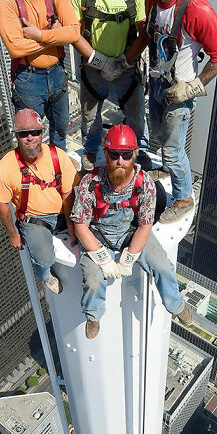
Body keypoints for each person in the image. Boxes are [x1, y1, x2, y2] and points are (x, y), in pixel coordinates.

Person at [124, 0, 217, 222]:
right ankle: (166, 171)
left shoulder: (197, 9)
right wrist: (126, 60)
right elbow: (147, 35)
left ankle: (184, 198)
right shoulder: (151, 0)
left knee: (172, 151)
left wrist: (193, 87)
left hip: (179, 90)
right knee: (158, 136)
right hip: (158, 83)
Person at [71, 124, 193, 339]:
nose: (120, 161)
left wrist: (130, 257)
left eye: (126, 155)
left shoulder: (143, 182)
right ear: (106, 154)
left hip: (131, 232)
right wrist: (100, 257)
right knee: (92, 279)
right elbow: (81, 225)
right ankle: (93, 316)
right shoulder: (91, 184)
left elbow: (145, 224)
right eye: (115, 154)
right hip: (99, 235)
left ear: (134, 155)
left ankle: (176, 305)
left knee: (162, 266)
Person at [69, 0, 150, 171]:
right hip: (95, 67)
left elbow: (145, 31)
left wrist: (125, 61)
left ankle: (141, 151)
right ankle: (91, 150)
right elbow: (74, 33)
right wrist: (99, 61)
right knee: (90, 116)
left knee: (136, 114)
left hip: (127, 63)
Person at [0, 0, 80, 149]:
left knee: (60, 134)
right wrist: (55, 35)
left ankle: (58, 177)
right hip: (28, 79)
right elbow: (15, 48)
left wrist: (38, 34)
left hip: (58, 74)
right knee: (30, 142)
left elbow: (74, 32)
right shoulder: (6, 0)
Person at [0, 108, 79, 295]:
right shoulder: (5, 168)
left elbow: (68, 192)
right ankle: (45, 275)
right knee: (44, 259)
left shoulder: (58, 156)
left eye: (35, 132)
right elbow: (2, 205)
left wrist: (71, 222)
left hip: (63, 211)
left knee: (89, 232)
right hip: (35, 219)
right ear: (17, 137)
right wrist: (12, 234)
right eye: (24, 134)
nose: (30, 137)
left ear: (41, 133)